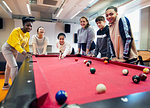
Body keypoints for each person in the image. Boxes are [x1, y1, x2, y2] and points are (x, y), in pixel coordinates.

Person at [1, 16, 35, 89]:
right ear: (23, 25)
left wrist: (28, 52)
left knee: (9, 66)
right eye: (27, 25)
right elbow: (17, 45)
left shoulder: (27, 34)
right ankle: (15, 87)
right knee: (14, 66)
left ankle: (6, 85)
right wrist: (24, 53)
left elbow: (26, 46)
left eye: (31, 26)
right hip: (7, 48)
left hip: (15, 50)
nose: (29, 27)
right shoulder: (16, 31)